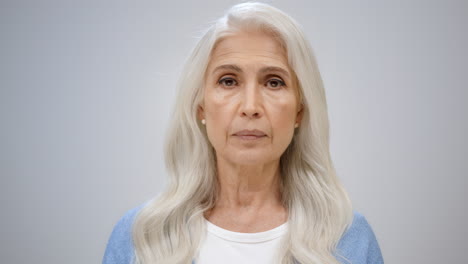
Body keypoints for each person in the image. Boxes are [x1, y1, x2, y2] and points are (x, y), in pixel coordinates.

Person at [103, 2, 384, 264]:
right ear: (201, 106)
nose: (250, 107)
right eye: (228, 81)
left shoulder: (349, 241)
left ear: (300, 110)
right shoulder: (140, 237)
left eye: (274, 82)